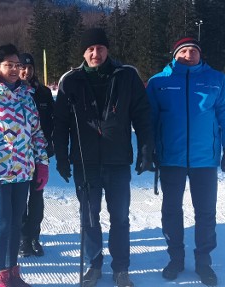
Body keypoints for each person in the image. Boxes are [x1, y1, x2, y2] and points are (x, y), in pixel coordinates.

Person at [53, 28, 154, 287]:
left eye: (99, 47)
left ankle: (121, 268)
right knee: (89, 216)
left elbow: (142, 116)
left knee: (119, 216)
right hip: (85, 163)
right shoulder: (70, 81)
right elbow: (61, 123)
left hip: (117, 160)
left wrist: (146, 149)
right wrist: (62, 156)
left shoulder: (126, 76)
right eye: (89, 49)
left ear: (107, 50)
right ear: (83, 53)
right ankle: (94, 264)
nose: (95, 53)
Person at [146, 37, 225, 286]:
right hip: (171, 159)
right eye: (183, 51)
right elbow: (149, 120)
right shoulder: (159, 82)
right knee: (171, 210)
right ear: (174, 55)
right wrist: (148, 150)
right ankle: (175, 259)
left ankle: (203, 262)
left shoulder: (216, 80)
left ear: (200, 54)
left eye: (193, 51)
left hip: (204, 160)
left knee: (206, 212)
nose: (189, 55)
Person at [0, 44, 49, 287]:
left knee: (16, 223)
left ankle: (13, 271)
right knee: (3, 223)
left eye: (18, 65)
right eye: (9, 65)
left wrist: (42, 163)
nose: (15, 69)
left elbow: (36, 133)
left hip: (23, 171)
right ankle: (0, 275)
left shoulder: (26, 95)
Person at [16, 52, 55, 258]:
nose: (26, 71)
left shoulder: (44, 93)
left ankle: (34, 237)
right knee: (22, 198)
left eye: (30, 68)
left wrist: (51, 146)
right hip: (19, 156)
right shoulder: (12, 92)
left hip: (40, 154)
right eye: (22, 67)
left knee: (37, 198)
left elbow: (52, 122)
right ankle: (23, 239)